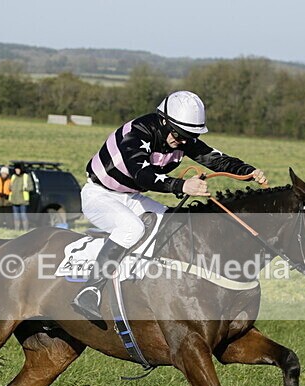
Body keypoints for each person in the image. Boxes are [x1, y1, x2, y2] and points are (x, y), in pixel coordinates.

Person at [72, 90, 268, 320]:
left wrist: (248, 171)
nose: (183, 141)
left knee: (175, 223)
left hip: (130, 196)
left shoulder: (181, 135)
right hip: (99, 195)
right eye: (179, 134)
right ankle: (90, 289)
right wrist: (183, 186)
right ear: (163, 121)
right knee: (131, 229)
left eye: (188, 136)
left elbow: (214, 159)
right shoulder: (135, 135)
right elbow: (143, 176)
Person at [10, 163, 33, 231]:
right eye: (16, 169)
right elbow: (11, 186)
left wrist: (25, 189)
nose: (17, 170)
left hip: (23, 200)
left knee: (23, 216)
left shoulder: (26, 176)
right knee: (16, 217)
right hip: (14, 200)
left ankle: (25, 229)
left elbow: (31, 187)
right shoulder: (13, 176)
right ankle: (17, 229)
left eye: (18, 169)